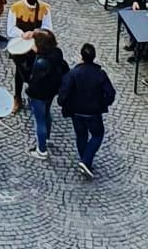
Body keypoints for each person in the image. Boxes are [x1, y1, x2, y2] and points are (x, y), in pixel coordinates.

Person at [57, 40, 116, 178]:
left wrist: (64, 104)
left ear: (81, 56)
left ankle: (85, 160)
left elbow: (64, 92)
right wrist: (103, 104)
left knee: (81, 135)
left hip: (77, 112)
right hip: (94, 112)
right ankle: (86, 161)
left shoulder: (73, 73)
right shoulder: (100, 73)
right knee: (97, 135)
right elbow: (110, 93)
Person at [24, 28, 67, 158]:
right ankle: (46, 138)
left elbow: (33, 81)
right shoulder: (56, 53)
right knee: (47, 114)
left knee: (39, 121)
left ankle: (41, 150)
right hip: (51, 91)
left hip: (39, 95)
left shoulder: (41, 63)